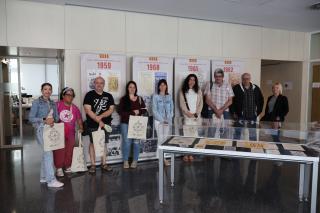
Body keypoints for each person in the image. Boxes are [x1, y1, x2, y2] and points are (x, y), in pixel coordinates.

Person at [29, 83, 64, 188]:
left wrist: (54, 120)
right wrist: (44, 120)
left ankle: (43, 177)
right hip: (41, 130)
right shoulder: (36, 102)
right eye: (45, 89)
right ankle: (51, 180)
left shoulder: (53, 103)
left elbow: (57, 117)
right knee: (48, 154)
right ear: (41, 90)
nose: (47, 91)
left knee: (46, 154)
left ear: (51, 91)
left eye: (49, 89)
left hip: (51, 130)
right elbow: (31, 118)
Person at [83, 76, 114, 174]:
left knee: (103, 143)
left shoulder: (109, 96)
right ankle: (92, 165)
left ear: (104, 84)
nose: (99, 84)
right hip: (92, 124)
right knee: (92, 144)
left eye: (101, 83)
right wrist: (98, 120)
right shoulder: (89, 95)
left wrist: (100, 117)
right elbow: (87, 110)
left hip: (106, 124)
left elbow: (111, 109)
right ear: (94, 84)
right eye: (97, 83)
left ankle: (104, 163)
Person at [53, 87, 83, 177]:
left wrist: (81, 127)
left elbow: (79, 119)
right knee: (59, 150)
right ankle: (58, 168)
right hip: (59, 132)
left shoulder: (75, 108)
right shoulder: (56, 105)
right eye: (68, 95)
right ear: (63, 95)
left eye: (72, 95)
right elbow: (50, 116)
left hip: (71, 133)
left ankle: (67, 166)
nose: (70, 97)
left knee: (69, 150)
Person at [119, 81, 147, 169]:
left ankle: (135, 160)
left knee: (136, 143)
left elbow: (144, 109)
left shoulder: (139, 98)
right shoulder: (123, 99)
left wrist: (139, 111)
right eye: (130, 87)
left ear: (136, 88)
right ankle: (126, 161)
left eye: (134, 87)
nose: (132, 89)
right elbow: (120, 112)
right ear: (127, 88)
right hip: (125, 123)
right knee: (127, 142)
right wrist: (132, 112)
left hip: (137, 123)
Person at [231, 73, 264, 141]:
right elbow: (232, 101)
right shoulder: (236, 88)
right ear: (242, 79)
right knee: (237, 132)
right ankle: (235, 149)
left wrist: (258, 112)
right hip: (240, 115)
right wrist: (233, 112)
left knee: (253, 134)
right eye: (244, 79)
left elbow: (261, 100)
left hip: (252, 115)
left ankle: (253, 149)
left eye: (247, 79)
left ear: (250, 79)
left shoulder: (256, 88)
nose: (246, 80)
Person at [179, 74, 203, 162]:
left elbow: (201, 103)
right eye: (190, 79)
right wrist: (187, 113)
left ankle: (191, 153)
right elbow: (181, 104)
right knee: (186, 135)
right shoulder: (182, 90)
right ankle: (186, 153)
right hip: (187, 116)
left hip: (196, 117)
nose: (192, 81)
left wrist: (196, 113)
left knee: (194, 135)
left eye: (194, 80)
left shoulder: (198, 90)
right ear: (187, 80)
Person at [152, 79, 174, 167]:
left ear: (166, 86)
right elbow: (154, 110)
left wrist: (168, 118)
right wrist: (162, 120)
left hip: (167, 121)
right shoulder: (155, 96)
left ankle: (161, 157)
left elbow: (172, 109)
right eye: (160, 85)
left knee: (165, 140)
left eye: (164, 85)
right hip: (159, 121)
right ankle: (163, 159)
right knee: (161, 139)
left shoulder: (169, 96)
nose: (162, 86)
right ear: (158, 87)